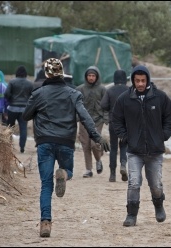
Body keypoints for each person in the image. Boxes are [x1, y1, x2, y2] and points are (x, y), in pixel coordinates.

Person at [22, 58, 110, 238]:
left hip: (45, 141)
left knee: (46, 184)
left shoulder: (38, 93)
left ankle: (45, 223)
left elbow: (25, 115)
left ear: (46, 73)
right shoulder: (73, 93)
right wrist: (97, 137)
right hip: (65, 141)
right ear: (62, 73)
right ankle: (64, 173)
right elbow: (85, 117)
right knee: (68, 170)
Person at [112, 65, 171, 227]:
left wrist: (163, 136)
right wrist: (125, 137)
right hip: (134, 150)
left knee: (155, 184)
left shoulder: (160, 97)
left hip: (155, 151)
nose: (140, 83)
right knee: (134, 182)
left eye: (143, 80)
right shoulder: (124, 99)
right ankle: (131, 215)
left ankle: (159, 206)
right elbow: (116, 120)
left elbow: (170, 117)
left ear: (147, 80)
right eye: (137, 80)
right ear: (132, 81)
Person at [76, 66, 109, 178]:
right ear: (86, 77)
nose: (91, 77)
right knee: (86, 145)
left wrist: (106, 118)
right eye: (89, 75)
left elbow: (106, 106)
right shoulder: (80, 89)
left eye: (93, 75)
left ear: (97, 76)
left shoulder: (102, 89)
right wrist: (77, 117)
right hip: (84, 120)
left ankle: (98, 160)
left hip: (97, 120)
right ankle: (88, 169)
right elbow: (76, 105)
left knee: (95, 144)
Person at [101, 69, 129, 182]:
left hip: (113, 122)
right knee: (124, 145)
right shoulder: (129, 90)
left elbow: (103, 105)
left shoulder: (110, 90)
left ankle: (112, 174)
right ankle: (123, 164)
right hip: (126, 122)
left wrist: (111, 109)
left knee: (113, 147)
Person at [4, 65, 34, 153]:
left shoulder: (12, 82)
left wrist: (11, 99)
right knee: (23, 128)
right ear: (25, 74)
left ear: (17, 73)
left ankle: (8, 146)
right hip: (24, 109)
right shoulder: (30, 83)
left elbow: (6, 93)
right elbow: (33, 96)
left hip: (12, 108)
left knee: (9, 127)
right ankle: (22, 148)